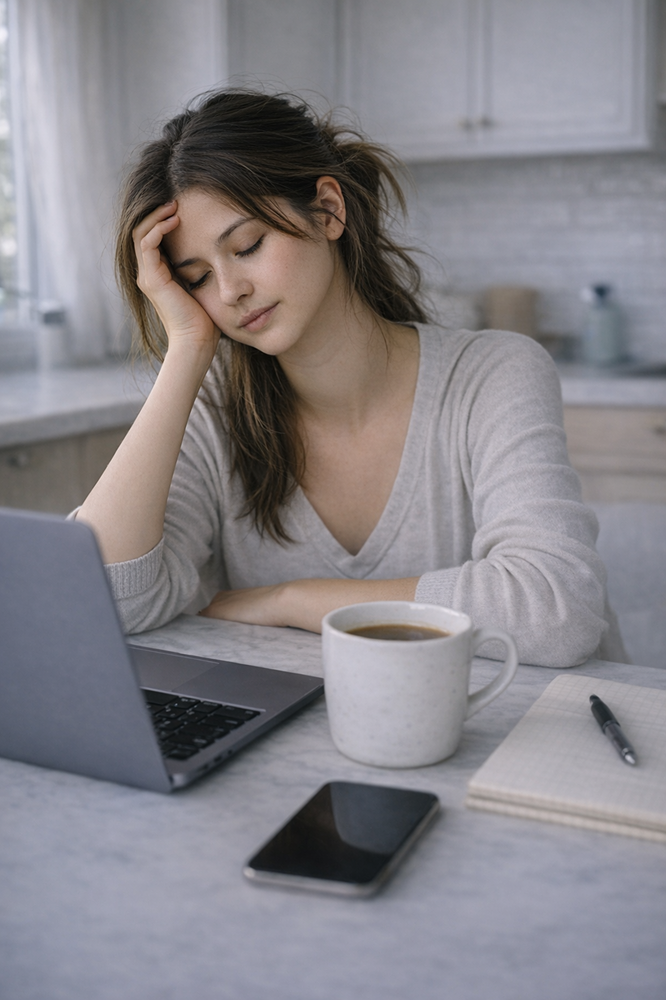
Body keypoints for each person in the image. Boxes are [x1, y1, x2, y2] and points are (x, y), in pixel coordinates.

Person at [76, 88, 624, 668]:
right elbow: (105, 603)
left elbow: (556, 611)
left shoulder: (493, 374)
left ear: (329, 209)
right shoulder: (214, 410)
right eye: (196, 278)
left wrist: (292, 600)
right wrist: (187, 348)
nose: (230, 290)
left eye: (248, 245)